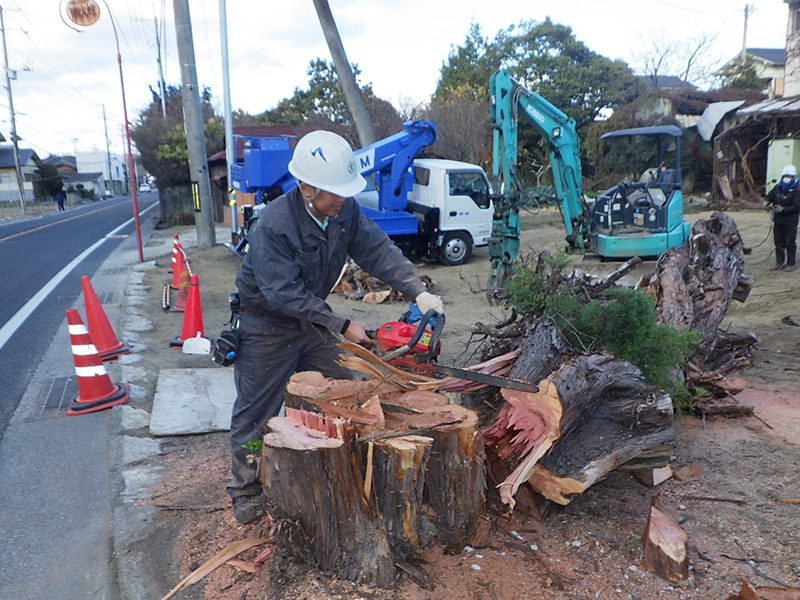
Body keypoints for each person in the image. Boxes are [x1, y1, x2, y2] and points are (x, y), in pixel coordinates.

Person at [227, 130, 444, 524]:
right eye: (333, 191)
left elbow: (377, 250)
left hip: (310, 320)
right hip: (266, 326)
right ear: (306, 187)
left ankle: (351, 469)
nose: (341, 198)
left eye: (344, 190)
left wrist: (416, 290)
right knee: (254, 412)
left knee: (349, 387)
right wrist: (342, 324)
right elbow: (283, 295)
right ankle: (246, 492)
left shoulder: (343, 211)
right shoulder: (273, 226)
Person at [764, 164, 800, 272]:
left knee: (790, 241)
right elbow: (769, 197)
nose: (787, 178)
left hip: (790, 221)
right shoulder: (778, 187)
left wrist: (784, 209)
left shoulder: (797, 190)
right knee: (778, 241)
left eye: (789, 176)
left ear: (793, 177)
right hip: (778, 220)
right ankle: (779, 263)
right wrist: (765, 202)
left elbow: (797, 206)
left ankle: (790, 263)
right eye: (785, 176)